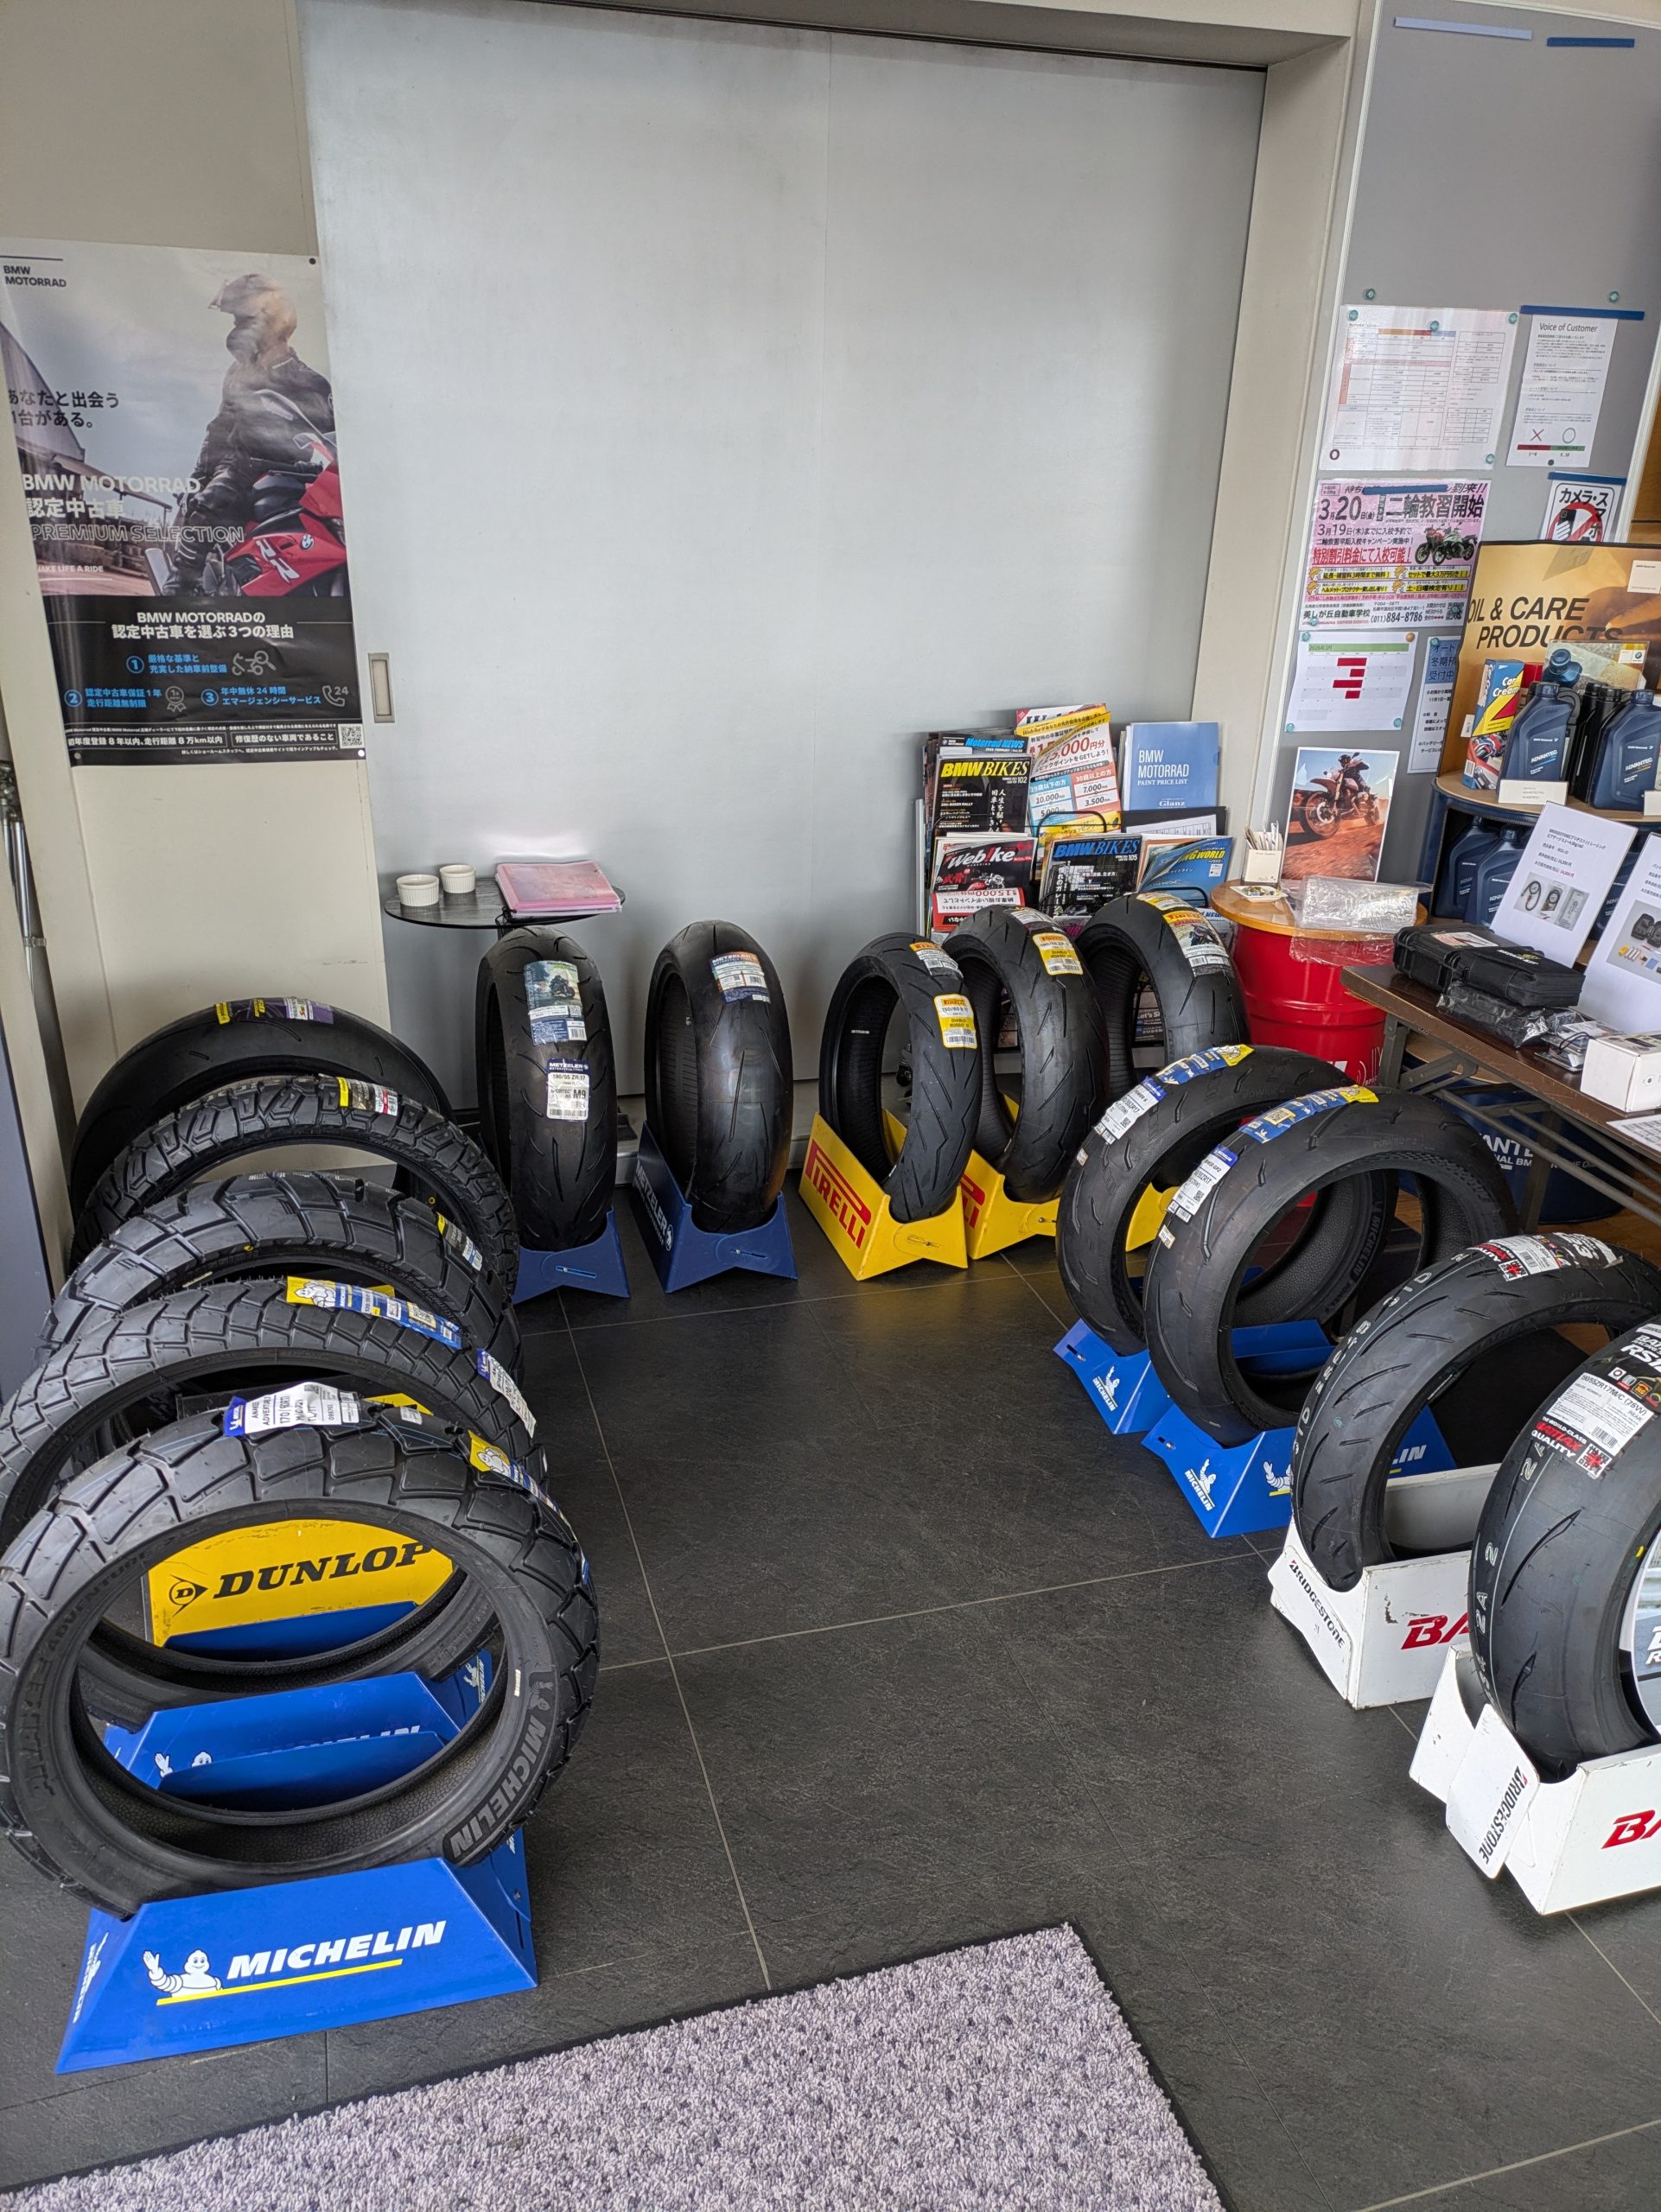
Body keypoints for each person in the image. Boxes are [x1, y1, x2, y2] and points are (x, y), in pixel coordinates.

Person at [167, 274, 336, 596]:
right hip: (241, 465)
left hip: (296, 474)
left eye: (242, 320)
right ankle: (180, 585)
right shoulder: (238, 375)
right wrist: (199, 477)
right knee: (209, 500)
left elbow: (333, 441)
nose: (236, 330)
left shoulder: (311, 382)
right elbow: (220, 429)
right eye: (236, 322)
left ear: (272, 320)